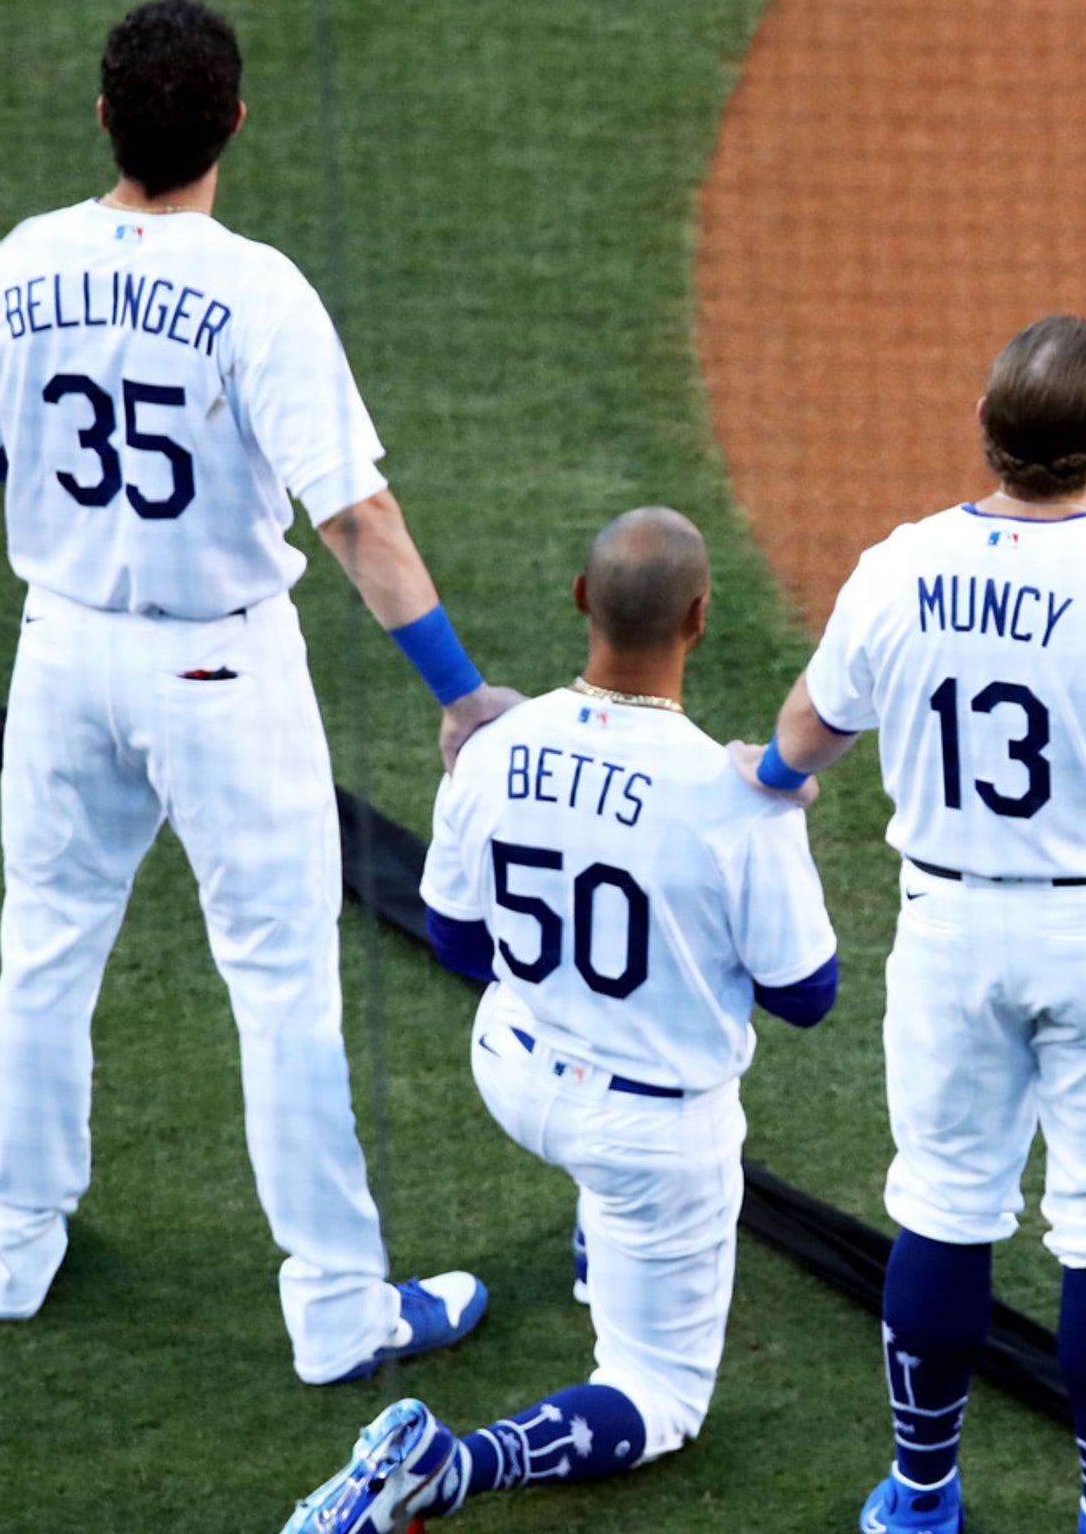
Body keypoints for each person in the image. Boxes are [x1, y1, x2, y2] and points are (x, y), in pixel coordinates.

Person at [0, 0, 518, 1385]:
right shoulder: (259, 292)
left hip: (63, 651)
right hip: (220, 668)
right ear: (234, 126)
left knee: (48, 943)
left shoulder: (23, 261)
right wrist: (460, 688)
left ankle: (9, 1252)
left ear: (103, 118)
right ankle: (336, 1311)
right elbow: (357, 523)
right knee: (282, 988)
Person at [743, 316, 1086, 1534]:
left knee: (940, 1202)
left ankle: (921, 1498)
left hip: (949, 929)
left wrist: (773, 781)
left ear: (986, 435)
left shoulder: (899, 568)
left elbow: (811, 725)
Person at [281, 506, 841, 1534]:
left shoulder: (494, 745)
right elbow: (807, 995)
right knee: (658, 1398)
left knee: (598, 1100)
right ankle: (447, 1469)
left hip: (511, 1068)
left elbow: (450, 938)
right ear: (701, 618)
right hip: (646, 1132)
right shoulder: (733, 796)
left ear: (581, 599)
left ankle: (600, 1235)